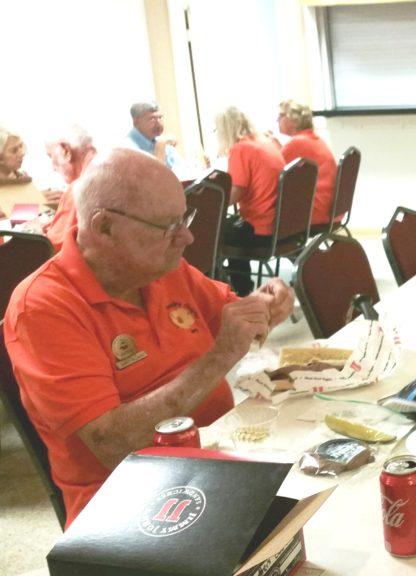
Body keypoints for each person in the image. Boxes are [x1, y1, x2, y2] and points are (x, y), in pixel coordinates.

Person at [3, 148, 294, 528]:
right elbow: (113, 445)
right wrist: (219, 357)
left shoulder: (161, 268)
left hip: (216, 466)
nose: (187, 237)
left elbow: (238, 316)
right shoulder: (43, 309)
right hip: (130, 507)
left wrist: (266, 306)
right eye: (168, 226)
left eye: (185, 218)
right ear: (105, 226)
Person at [215, 106, 286, 295]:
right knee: (228, 228)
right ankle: (240, 288)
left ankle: (233, 293)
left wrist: (211, 208)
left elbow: (236, 192)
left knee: (209, 234)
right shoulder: (265, 143)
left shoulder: (241, 149)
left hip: (260, 228)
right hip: (279, 225)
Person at [27, 126, 98, 252]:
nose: (53, 168)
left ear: (66, 151)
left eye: (50, 156)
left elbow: (54, 246)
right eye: (14, 150)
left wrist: (35, 229)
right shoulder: (109, 171)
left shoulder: (79, 188)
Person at [277, 100, 337, 227]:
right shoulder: (312, 139)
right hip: (329, 210)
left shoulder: (297, 143)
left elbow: (272, 169)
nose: (277, 120)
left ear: (293, 120)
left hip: (314, 212)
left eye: (280, 116)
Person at [125, 101, 179, 170]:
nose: (158, 123)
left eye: (160, 117)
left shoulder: (162, 141)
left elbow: (183, 171)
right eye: (152, 119)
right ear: (136, 122)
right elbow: (154, 178)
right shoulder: (127, 150)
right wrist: (160, 147)